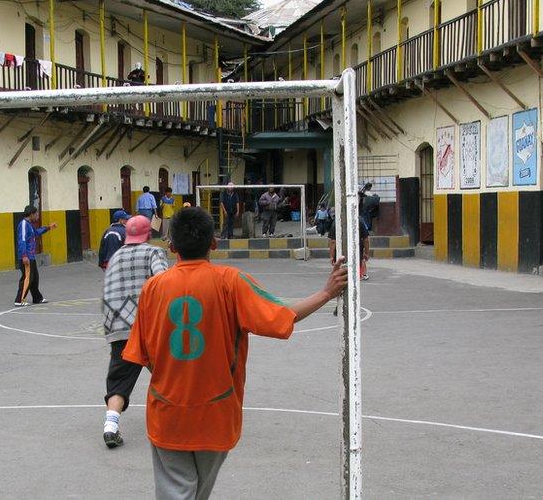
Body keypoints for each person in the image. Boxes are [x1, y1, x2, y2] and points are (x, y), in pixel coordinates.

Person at [122, 207, 347, 499]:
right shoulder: (231, 281)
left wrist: (173, 377)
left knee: (177, 490)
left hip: (168, 409)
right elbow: (282, 317)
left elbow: (143, 354)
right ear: (213, 243)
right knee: (197, 489)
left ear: (171, 245)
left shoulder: (153, 288)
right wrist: (326, 293)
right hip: (217, 410)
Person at [101, 215, 169, 448]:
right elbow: (163, 283)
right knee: (168, 372)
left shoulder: (115, 256)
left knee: (119, 379)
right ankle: (185, 417)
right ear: (148, 234)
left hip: (117, 326)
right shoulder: (153, 252)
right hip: (146, 325)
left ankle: (110, 426)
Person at [15, 205, 57, 306]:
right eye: (36, 214)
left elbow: (36, 233)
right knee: (27, 278)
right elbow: (22, 240)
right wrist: (24, 255)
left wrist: (48, 228)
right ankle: (19, 300)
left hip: (31, 256)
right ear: (31, 214)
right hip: (27, 257)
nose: (37, 216)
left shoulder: (29, 225)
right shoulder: (24, 225)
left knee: (34, 278)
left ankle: (37, 298)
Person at [329, 214, 371, 281]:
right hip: (356, 249)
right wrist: (367, 252)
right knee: (359, 260)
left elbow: (333, 241)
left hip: (341, 250)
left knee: (342, 264)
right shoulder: (359, 220)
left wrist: (331, 255)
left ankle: (343, 275)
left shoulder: (337, 221)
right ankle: (360, 274)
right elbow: (365, 239)